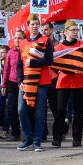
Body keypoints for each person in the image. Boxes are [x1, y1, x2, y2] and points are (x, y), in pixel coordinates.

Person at [17, 16, 54, 151]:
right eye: (32, 24)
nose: (34, 26)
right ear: (27, 26)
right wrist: (19, 81)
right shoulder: (22, 43)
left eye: (37, 24)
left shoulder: (45, 41)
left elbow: (50, 60)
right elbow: (19, 64)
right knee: (21, 110)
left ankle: (37, 141)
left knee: (39, 112)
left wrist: (34, 62)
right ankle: (28, 138)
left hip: (41, 81)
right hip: (26, 81)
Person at [51, 20, 83, 147]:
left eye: (76, 30)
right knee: (60, 111)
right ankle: (57, 137)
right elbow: (54, 65)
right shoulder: (59, 48)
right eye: (73, 30)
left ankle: (77, 138)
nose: (75, 32)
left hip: (80, 82)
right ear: (65, 32)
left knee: (78, 112)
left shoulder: (82, 45)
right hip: (64, 81)